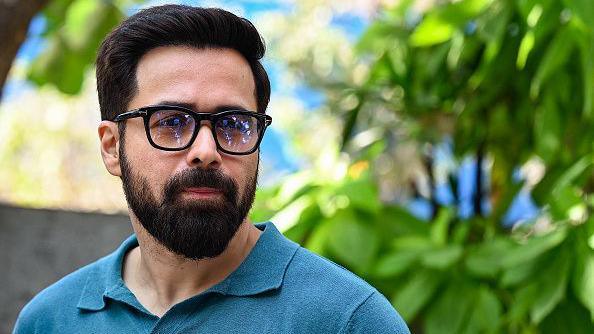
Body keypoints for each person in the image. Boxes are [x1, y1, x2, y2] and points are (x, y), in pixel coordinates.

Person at [13, 5, 410, 333]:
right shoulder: (50, 320)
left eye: (233, 125)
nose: (206, 151)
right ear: (112, 147)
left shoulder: (348, 321)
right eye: (171, 122)